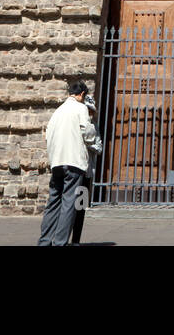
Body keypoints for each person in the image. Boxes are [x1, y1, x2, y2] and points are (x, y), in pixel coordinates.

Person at [37, 80, 100, 246]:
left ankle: (44, 241)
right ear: (82, 95)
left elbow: (47, 135)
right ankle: (60, 242)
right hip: (74, 162)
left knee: (53, 202)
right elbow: (88, 134)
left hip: (57, 162)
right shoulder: (80, 108)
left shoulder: (57, 111)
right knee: (69, 204)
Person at [70, 93, 102, 245]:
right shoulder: (73, 123)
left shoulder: (94, 126)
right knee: (69, 206)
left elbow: (99, 146)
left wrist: (89, 144)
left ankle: (76, 240)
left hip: (87, 172)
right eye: (87, 110)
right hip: (74, 169)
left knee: (80, 208)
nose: (89, 113)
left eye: (91, 111)